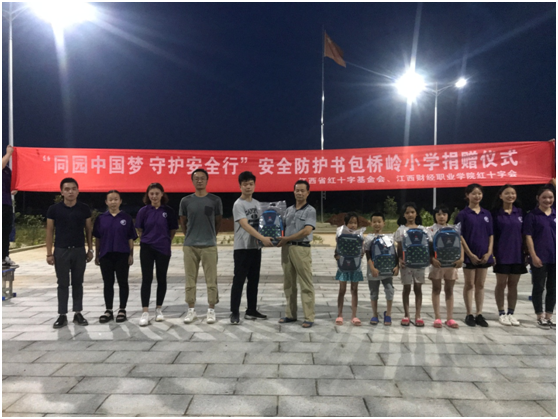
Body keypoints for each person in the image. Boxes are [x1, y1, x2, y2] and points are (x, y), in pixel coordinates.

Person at [46, 178, 93, 328]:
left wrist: (90, 249)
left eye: (73, 189)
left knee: (78, 282)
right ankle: (62, 314)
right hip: (61, 250)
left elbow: (89, 230)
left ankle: (78, 313)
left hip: (79, 250)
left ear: (78, 191)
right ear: (61, 192)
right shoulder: (54, 209)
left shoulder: (84, 208)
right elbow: (49, 231)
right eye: (67, 189)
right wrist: (49, 253)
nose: (70, 192)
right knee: (62, 283)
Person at [180, 169, 223, 324]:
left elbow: (218, 221)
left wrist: (210, 235)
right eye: (196, 178)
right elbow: (183, 221)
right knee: (190, 279)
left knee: (211, 280)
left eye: (202, 178)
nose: (199, 180)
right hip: (190, 246)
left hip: (209, 245)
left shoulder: (215, 200)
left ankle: (211, 310)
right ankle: (191, 310)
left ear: (207, 180)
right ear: (192, 181)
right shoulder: (185, 201)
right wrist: (190, 236)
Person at [230, 171, 273, 324]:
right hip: (242, 248)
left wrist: (272, 233)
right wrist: (262, 238)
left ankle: (251, 309)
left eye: (250, 184)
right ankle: (234, 312)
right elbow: (245, 225)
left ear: (254, 185)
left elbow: (264, 223)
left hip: (255, 247)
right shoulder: (238, 204)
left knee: (254, 280)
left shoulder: (257, 204)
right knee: (239, 280)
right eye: (245, 184)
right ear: (240, 186)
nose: (248, 187)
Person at [136, 183, 178, 326]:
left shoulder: (168, 211)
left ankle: (159, 309)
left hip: (163, 248)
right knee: (146, 279)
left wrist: (165, 241)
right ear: (148, 195)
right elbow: (140, 230)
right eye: (151, 194)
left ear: (162, 194)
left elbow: (172, 230)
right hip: (147, 248)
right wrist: (148, 240)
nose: (154, 196)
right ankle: (145, 311)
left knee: (162, 278)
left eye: (157, 193)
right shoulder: (143, 211)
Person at [93, 190, 137, 323]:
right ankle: (109, 310)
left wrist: (131, 254)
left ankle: (122, 309)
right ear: (106, 202)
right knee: (108, 283)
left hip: (122, 254)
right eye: (110, 199)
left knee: (123, 282)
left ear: (120, 201)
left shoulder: (126, 218)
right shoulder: (101, 218)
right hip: (106, 254)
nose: (113, 202)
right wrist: (97, 254)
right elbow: (98, 238)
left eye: (116, 199)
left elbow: (130, 238)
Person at [277, 180, 317, 328]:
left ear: (307, 193)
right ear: (293, 192)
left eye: (302, 190)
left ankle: (309, 316)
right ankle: (290, 314)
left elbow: (307, 230)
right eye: (297, 190)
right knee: (289, 283)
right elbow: (281, 227)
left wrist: (287, 238)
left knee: (305, 283)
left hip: (301, 249)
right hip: (287, 249)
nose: (299, 193)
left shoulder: (310, 210)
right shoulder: (288, 210)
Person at [456, 183, 494, 328]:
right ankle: (469, 313)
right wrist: (469, 254)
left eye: (479, 193)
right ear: (467, 195)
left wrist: (489, 252)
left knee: (480, 285)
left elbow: (491, 234)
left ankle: (479, 313)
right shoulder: (463, 214)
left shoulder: (486, 214)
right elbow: (459, 236)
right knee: (469, 284)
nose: (477, 196)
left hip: (484, 254)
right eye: (474, 193)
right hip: (469, 255)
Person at [491, 184, 526, 326]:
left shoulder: (520, 213)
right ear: (500, 196)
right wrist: (492, 254)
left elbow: (525, 234)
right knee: (501, 284)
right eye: (507, 193)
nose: (510, 196)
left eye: (513, 193)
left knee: (513, 285)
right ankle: (501, 313)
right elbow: (492, 235)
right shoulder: (495, 214)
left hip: (517, 254)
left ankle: (511, 313)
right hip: (502, 254)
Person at [523, 185, 556, 329]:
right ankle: (539, 316)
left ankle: (549, 316)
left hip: (554, 257)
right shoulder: (532, 216)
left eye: (551, 197)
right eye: (544, 197)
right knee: (539, 287)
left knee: (553, 287)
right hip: (540, 256)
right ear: (538, 198)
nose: (548, 200)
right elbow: (528, 236)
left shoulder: (555, 214)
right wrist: (533, 255)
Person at [428, 205, 463, 329]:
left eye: (444, 214)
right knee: (436, 289)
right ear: (435, 216)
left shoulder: (454, 229)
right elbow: (428, 247)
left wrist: (461, 259)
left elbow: (460, 245)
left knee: (449, 290)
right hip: (437, 265)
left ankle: (449, 318)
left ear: (448, 216)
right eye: (438, 214)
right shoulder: (430, 230)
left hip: (451, 265)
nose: (441, 217)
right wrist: (432, 259)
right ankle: (437, 317)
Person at [394, 202, 427, 327]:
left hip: (419, 264)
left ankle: (418, 315)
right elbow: (399, 247)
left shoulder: (423, 230)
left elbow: (426, 247)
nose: (410, 215)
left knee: (418, 288)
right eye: (407, 212)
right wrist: (399, 260)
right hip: (406, 265)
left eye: (412, 212)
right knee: (406, 288)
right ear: (403, 215)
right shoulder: (401, 230)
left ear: (416, 213)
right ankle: (406, 315)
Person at [365, 212, 398, 326]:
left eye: (379, 221)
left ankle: (388, 314)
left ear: (384, 223)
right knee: (374, 292)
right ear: (371, 223)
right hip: (373, 270)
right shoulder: (369, 238)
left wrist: (397, 266)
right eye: (374, 222)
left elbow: (394, 253)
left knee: (389, 290)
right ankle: (374, 314)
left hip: (387, 270)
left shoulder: (389, 237)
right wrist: (372, 268)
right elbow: (368, 254)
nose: (377, 224)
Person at [334, 212, 364, 326]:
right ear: (345, 224)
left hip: (355, 266)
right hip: (343, 266)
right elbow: (337, 249)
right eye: (350, 223)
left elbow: (362, 250)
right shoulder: (340, 233)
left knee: (354, 290)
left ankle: (354, 316)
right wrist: (336, 256)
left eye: (355, 223)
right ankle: (340, 314)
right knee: (342, 290)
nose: (353, 225)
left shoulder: (360, 235)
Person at [2, 145, 16, 268]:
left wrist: (14, 189)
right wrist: (8, 154)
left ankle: (4, 256)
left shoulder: (7, 170)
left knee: (6, 231)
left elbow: (12, 185)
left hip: (6, 204)